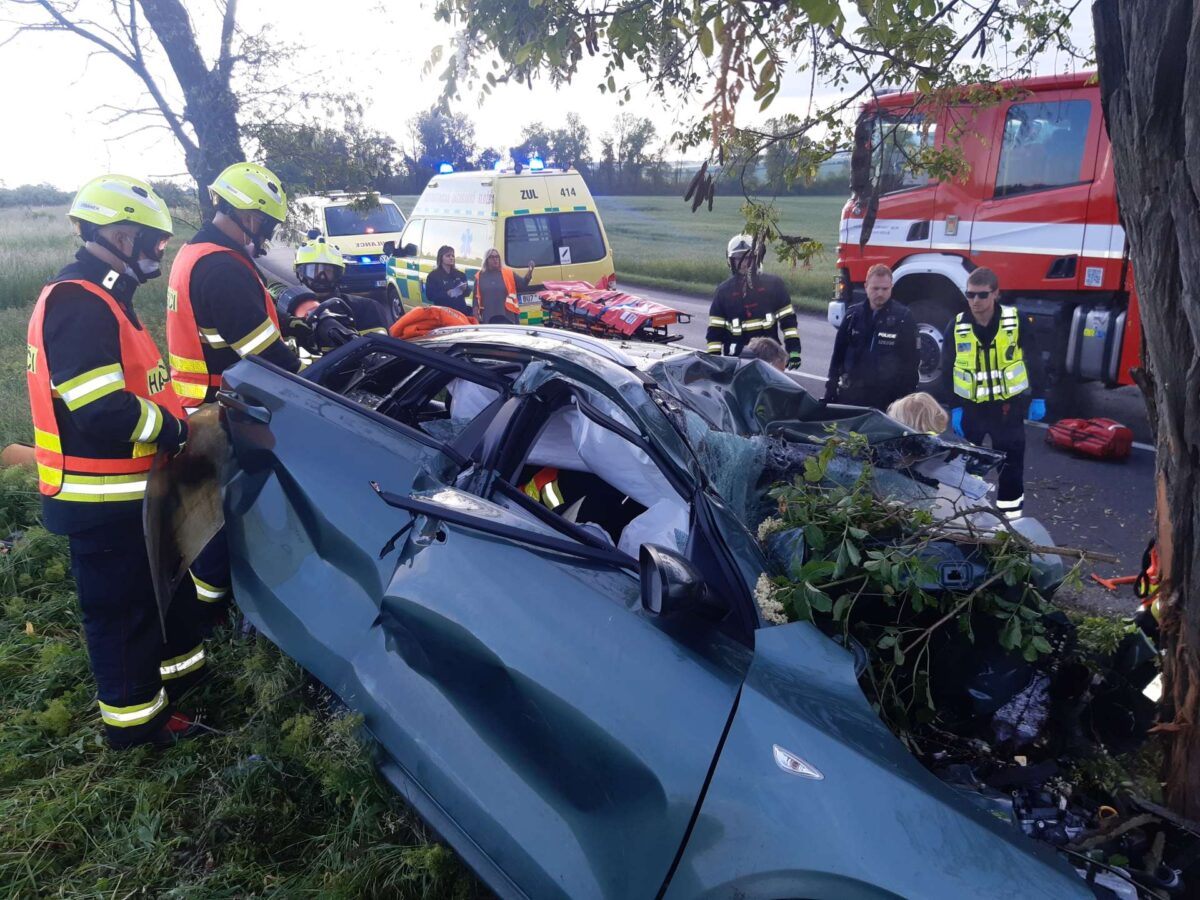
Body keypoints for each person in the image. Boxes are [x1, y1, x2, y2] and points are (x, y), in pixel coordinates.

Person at [26, 175, 204, 749]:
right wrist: (173, 428)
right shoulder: (78, 303)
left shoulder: (105, 299)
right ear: (120, 235)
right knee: (121, 613)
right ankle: (135, 729)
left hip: (132, 492)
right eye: (154, 241)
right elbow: (102, 410)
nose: (159, 252)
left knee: (156, 598)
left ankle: (179, 683)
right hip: (99, 500)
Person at [165, 162, 295, 613]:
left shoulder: (197, 252)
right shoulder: (222, 267)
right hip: (224, 409)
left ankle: (213, 605)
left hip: (201, 402)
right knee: (226, 515)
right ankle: (220, 611)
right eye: (270, 225)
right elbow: (269, 356)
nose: (268, 235)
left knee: (208, 516)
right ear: (252, 217)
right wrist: (308, 356)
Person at [941, 266, 1046, 519]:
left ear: (996, 294)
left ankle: (1010, 519)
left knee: (1011, 466)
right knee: (970, 466)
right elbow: (947, 371)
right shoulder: (956, 327)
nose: (975, 301)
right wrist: (954, 407)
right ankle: (969, 515)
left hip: (1007, 409)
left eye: (982, 295)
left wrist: (1039, 395)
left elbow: (1034, 359)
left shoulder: (1015, 321)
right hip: (972, 410)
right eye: (970, 294)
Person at [823, 263, 919, 410]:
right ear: (866, 285)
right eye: (875, 288)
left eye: (885, 289)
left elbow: (911, 364)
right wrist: (831, 386)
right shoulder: (852, 316)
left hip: (886, 400)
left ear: (891, 287)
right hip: (851, 395)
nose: (880, 293)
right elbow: (838, 355)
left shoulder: (903, 318)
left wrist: (905, 399)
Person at [277, 236, 390, 353]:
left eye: (328, 272)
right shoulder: (288, 314)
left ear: (339, 274)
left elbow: (381, 354)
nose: (321, 278)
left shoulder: (367, 308)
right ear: (300, 273)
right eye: (313, 271)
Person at [705, 234, 802, 368]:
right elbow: (715, 332)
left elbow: (789, 322)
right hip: (736, 360)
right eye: (739, 258)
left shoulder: (774, 285)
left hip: (770, 360)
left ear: (757, 259)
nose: (744, 263)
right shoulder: (723, 291)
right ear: (730, 261)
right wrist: (714, 361)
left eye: (749, 258)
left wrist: (794, 351)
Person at [474, 248, 534, 323]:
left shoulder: (508, 273)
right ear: (486, 260)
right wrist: (476, 316)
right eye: (492, 257)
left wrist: (530, 272)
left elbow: (523, 284)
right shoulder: (479, 276)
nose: (495, 259)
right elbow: (476, 299)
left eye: (497, 257)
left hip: (508, 317)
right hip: (488, 318)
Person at [424, 245, 472, 315]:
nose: (451, 258)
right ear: (441, 258)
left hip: (460, 312)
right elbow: (430, 296)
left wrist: (465, 289)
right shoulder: (433, 275)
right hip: (443, 313)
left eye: (453, 256)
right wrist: (447, 294)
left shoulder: (460, 274)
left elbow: (467, 294)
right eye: (448, 256)